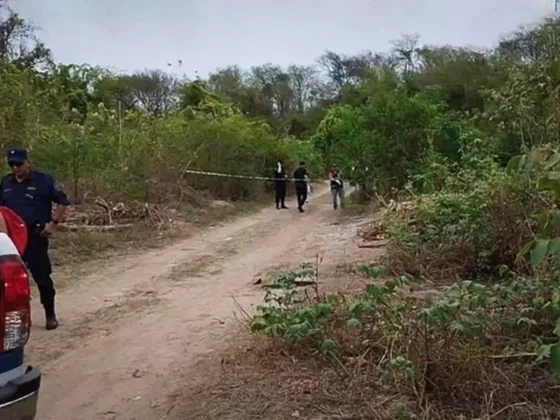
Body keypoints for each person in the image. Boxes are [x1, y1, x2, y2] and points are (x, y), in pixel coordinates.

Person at [0, 148, 70, 330]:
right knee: (11, 282)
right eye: (12, 164)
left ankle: (50, 314)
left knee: (42, 278)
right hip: (12, 240)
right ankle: (16, 321)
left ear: (27, 162)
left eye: (19, 164)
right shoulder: (6, 183)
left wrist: (53, 223)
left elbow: (63, 200)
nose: (15, 168)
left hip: (35, 236)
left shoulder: (43, 180)